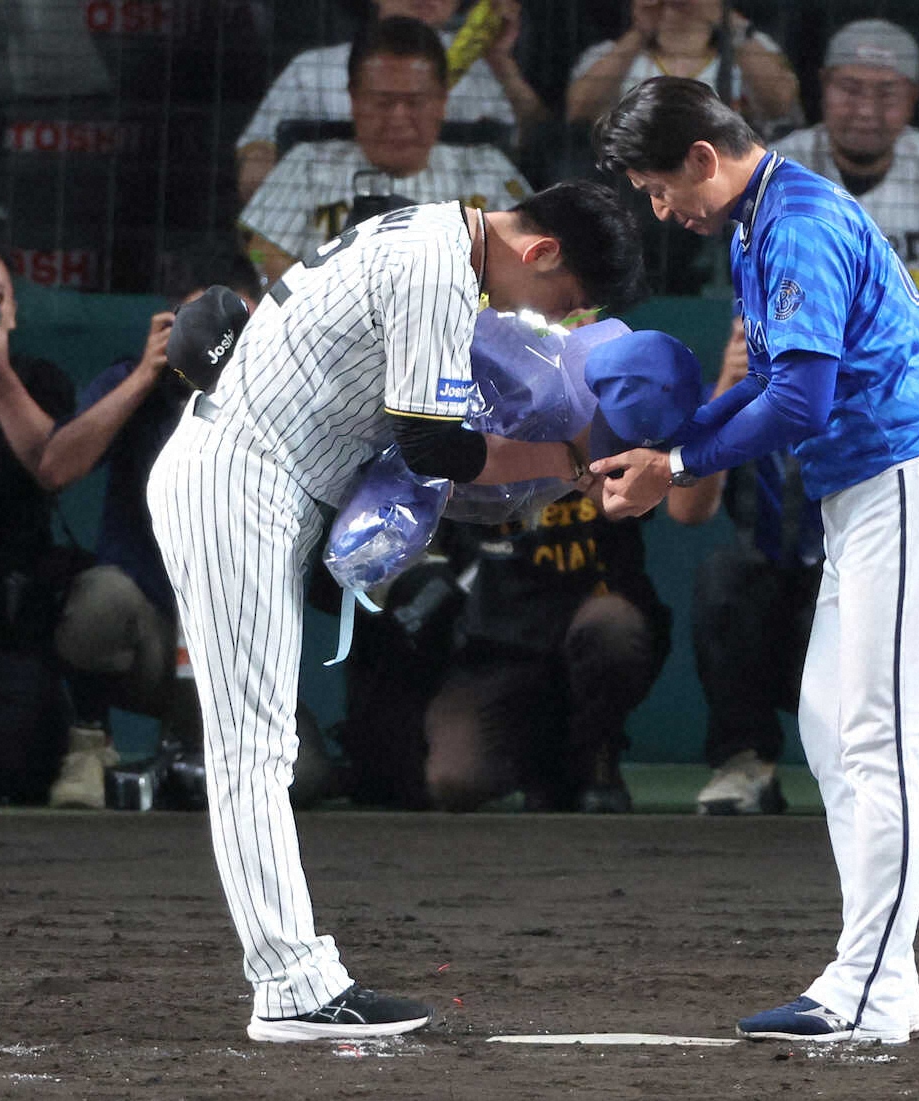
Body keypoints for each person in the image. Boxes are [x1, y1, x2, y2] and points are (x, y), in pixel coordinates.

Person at [145, 180, 646, 1042]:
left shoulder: (434, 236)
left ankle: (293, 979)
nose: (556, 318)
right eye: (565, 299)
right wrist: (567, 458)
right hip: (238, 480)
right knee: (251, 747)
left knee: (255, 745)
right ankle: (291, 985)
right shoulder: (437, 264)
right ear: (541, 252)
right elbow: (433, 445)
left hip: (261, 475)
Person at [591, 76, 919, 1045]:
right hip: (871, 495)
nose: (662, 211)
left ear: (703, 157)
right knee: (831, 724)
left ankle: (872, 988)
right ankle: (880, 978)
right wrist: (672, 448)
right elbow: (774, 380)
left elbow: (802, 404)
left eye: (659, 189)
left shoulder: (797, 221)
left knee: (883, 742)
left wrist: (677, 464)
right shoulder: (760, 222)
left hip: (910, 483)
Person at [36, 251, 260, 811]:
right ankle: (90, 743)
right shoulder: (139, 383)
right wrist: (145, 374)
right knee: (102, 599)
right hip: (149, 635)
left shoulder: (278, 395)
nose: (217, 343)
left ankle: (217, 760)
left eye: (232, 326)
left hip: (236, 655)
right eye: (201, 325)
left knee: (303, 776)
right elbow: (56, 468)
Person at [337, 495, 670, 815]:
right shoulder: (461, 462)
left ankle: (597, 760)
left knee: (613, 627)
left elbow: (666, 500)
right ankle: (541, 768)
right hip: (493, 649)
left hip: (585, 625)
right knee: (455, 782)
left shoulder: (602, 456)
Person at [240, 15, 534, 285]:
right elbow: (259, 248)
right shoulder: (307, 164)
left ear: (442, 101)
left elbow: (532, 251)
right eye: (382, 102)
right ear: (354, 99)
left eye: (415, 102)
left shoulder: (487, 169)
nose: (398, 118)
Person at [666, 317, 823, 815]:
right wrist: (730, 389)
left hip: (840, 578)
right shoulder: (722, 403)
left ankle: (866, 770)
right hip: (763, 593)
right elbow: (686, 512)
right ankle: (745, 761)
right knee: (724, 576)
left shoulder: (847, 389)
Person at [772, 18, 919, 303]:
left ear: (913, 96)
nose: (867, 110)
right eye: (850, 89)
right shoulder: (780, 167)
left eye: (887, 94)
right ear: (824, 85)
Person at [235, 0, 547, 203]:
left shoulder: (485, 71)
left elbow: (539, 145)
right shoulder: (313, 69)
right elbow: (254, 169)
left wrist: (501, 63)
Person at [0, 240, 75, 804]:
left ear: (11, 311)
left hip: (13, 625)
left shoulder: (38, 380)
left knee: (13, 766)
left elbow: (50, 468)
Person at [565, 0, 802, 141]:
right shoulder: (611, 53)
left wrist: (727, 19)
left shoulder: (750, 47)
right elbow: (578, 111)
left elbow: (781, 106)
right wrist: (640, 31)